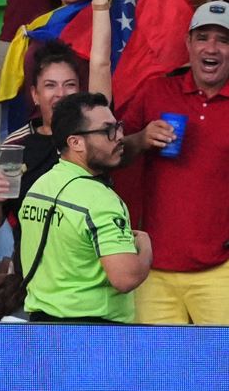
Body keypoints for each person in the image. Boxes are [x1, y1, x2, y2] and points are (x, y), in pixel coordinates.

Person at [116, 1, 229, 326]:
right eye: (203, 37)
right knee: (157, 373)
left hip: (220, 268)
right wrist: (141, 139)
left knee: (220, 371)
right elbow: (109, 156)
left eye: (223, 39)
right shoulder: (157, 90)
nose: (212, 47)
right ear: (188, 44)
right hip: (154, 269)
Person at [16, 93, 150, 323]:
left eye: (118, 127)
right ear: (75, 142)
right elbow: (125, 278)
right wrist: (145, 248)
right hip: (93, 335)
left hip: (40, 329)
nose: (119, 136)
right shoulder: (100, 200)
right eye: (107, 130)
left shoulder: (40, 186)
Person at [0, 40, 87, 240]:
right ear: (35, 95)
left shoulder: (93, 139)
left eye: (69, 85)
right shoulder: (16, 145)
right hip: (32, 265)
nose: (61, 94)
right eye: (50, 86)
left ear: (80, 92)